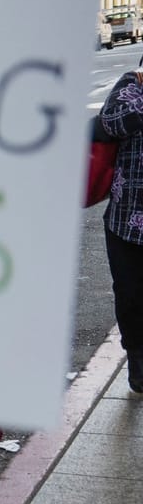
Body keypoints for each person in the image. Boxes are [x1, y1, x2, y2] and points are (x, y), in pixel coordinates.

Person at [100, 68, 143, 391]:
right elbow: (113, 121)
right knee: (130, 297)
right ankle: (138, 364)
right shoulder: (132, 84)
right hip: (126, 222)